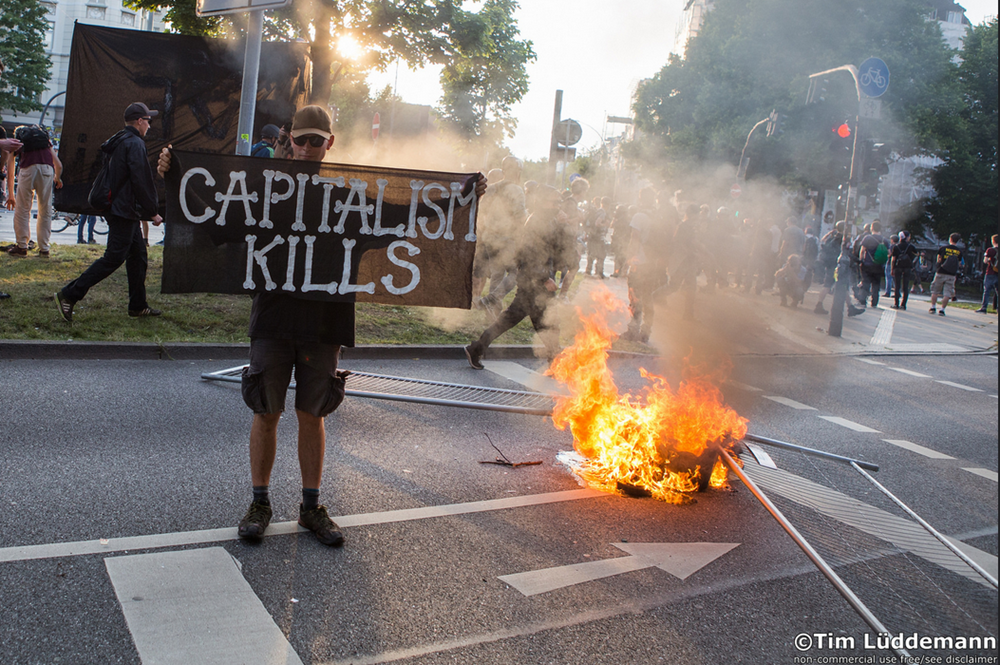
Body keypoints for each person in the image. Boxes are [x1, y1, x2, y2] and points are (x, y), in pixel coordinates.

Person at [159, 104, 485, 546]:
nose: (309, 146)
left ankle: (311, 507)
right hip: (273, 319)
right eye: (302, 138)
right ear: (290, 141)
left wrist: (459, 197)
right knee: (266, 412)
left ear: (330, 143)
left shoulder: (347, 199)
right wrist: (175, 176)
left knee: (312, 415)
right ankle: (260, 503)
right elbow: (219, 224)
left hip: (325, 323)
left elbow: (403, 214)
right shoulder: (264, 193)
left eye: (317, 139)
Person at [55, 102, 162, 321]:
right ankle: (69, 294)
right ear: (140, 121)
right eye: (148, 121)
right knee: (113, 258)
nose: (149, 126)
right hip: (123, 210)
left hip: (119, 208)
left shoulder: (119, 140)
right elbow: (141, 179)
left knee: (139, 256)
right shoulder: (134, 143)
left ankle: (138, 306)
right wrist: (152, 211)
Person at [465, 185, 571, 368]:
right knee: (542, 321)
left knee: (534, 321)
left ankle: (477, 348)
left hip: (533, 281)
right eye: (556, 202)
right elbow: (530, 255)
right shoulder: (538, 222)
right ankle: (555, 359)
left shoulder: (549, 221)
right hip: (533, 282)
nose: (559, 205)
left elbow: (556, 248)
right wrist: (545, 278)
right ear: (545, 202)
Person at [5, 124, 63, 257]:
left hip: (28, 170)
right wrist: (57, 178)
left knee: (23, 209)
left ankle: (22, 247)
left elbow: (10, 169)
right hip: (47, 171)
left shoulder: (19, 140)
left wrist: (10, 194)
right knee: (45, 210)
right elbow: (58, 165)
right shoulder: (45, 142)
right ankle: (44, 249)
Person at [928, 233, 964, 317]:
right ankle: (942, 310)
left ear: (950, 239)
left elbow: (938, 259)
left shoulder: (943, 248)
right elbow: (959, 263)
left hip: (941, 271)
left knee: (935, 291)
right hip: (951, 274)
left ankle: (933, 307)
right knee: (947, 293)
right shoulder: (959, 251)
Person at [858, 221, 887, 308]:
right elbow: (888, 253)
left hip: (867, 264)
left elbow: (862, 250)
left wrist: (861, 260)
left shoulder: (867, 238)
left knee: (865, 282)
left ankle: (863, 301)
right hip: (878, 265)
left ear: (871, 228)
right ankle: (874, 302)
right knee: (876, 284)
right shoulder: (884, 240)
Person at [889, 231, 917, 310]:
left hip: (898, 267)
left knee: (897, 285)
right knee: (906, 286)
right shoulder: (911, 246)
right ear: (907, 237)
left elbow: (893, 259)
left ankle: (896, 303)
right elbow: (916, 254)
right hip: (907, 267)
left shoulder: (896, 246)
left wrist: (892, 269)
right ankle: (903, 304)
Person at [977, 234, 997, 314]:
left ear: (993, 241)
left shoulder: (990, 250)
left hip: (990, 272)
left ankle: (984, 307)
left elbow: (985, 261)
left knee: (987, 291)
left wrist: (989, 259)